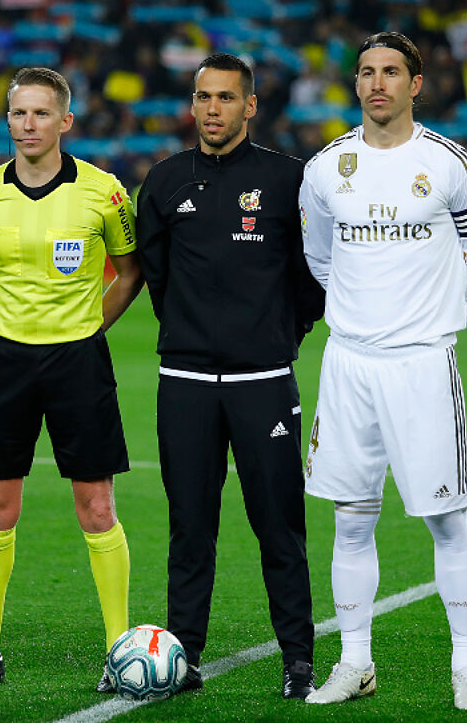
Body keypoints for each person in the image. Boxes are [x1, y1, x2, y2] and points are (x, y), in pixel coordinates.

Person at [299, 32, 467, 709]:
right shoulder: (327, 167)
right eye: (365, 72)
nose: (377, 83)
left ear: (417, 84)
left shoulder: (451, 164)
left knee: (447, 519)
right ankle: (354, 661)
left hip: (422, 365)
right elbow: (321, 259)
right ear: (355, 84)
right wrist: (364, 317)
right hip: (349, 365)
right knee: (351, 519)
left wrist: (432, 321)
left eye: (391, 71)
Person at [135, 53, 323, 699]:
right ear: (191, 105)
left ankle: (298, 658)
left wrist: (276, 337)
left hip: (264, 380)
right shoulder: (161, 182)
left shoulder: (289, 179)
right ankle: (183, 656)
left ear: (250, 107)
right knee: (190, 526)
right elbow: (158, 278)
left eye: (225, 98)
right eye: (202, 97)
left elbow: (312, 278)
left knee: (279, 524)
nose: (212, 109)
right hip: (183, 382)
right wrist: (191, 338)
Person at [0, 67, 142, 692]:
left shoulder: (104, 192)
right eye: (17, 114)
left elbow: (128, 270)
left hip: (78, 363)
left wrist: (89, 328)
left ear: (65, 121)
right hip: (6, 360)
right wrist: (17, 317)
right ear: (6, 120)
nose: (27, 125)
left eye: (40, 114)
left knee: (96, 504)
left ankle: (120, 650)